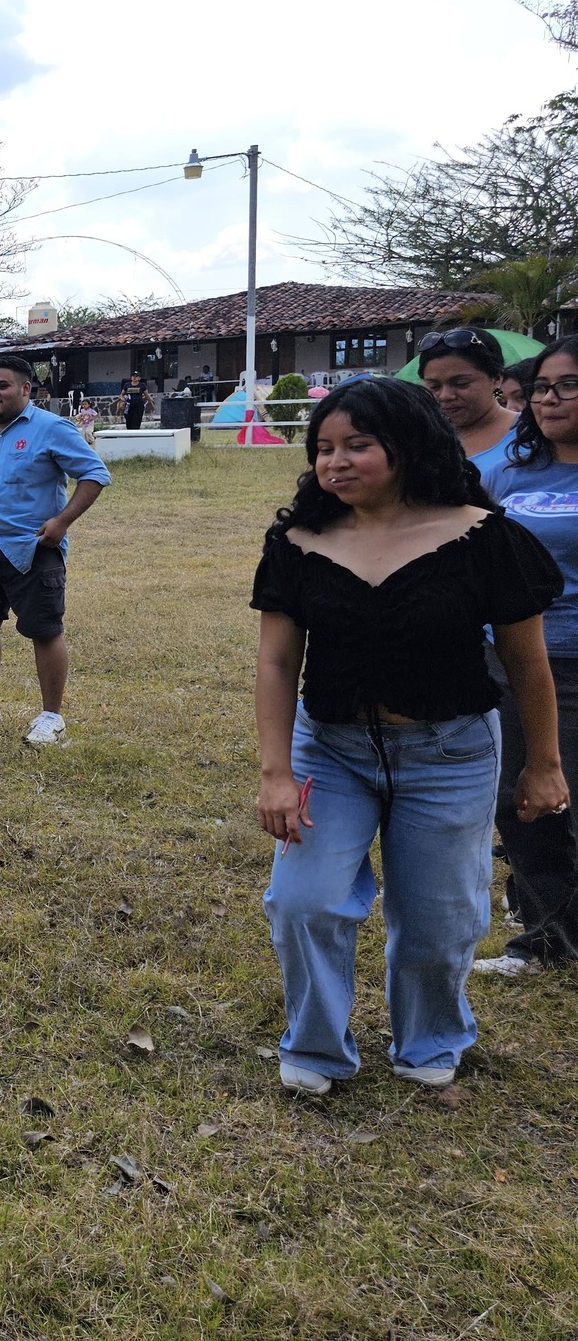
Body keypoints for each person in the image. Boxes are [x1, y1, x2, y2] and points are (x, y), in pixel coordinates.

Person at [252, 378, 564, 1095]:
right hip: (329, 750)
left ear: (409, 444)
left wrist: (542, 765)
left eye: (358, 445)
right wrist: (274, 771)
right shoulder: (298, 541)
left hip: (450, 753)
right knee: (306, 899)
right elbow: (276, 661)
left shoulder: (484, 536)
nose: (336, 462)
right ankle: (316, 1046)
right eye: (324, 448)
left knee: (437, 918)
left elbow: (525, 661)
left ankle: (430, 1038)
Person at [0, 354, 111, 746]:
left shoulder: (52, 429)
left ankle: (52, 717)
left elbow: (94, 474)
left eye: (1, 385)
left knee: (45, 630)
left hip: (33, 550)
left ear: (25, 389)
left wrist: (62, 521)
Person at [477, 337, 578, 975]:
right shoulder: (510, 471)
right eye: (541, 386)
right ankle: (546, 940)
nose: (547, 398)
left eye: (567, 385)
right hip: (511, 660)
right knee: (523, 800)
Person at [416, 327, 518, 473]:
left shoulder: (530, 435)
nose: (445, 395)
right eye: (434, 386)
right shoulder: (420, 438)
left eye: (461, 384)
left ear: (496, 379)